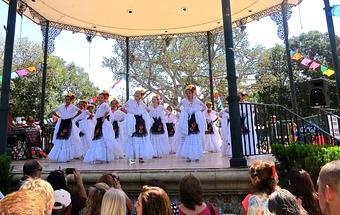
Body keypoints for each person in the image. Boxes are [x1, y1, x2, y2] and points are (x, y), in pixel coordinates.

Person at [121, 89, 154, 164]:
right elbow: (122, 108)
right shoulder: (130, 101)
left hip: (141, 121)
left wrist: (144, 114)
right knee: (133, 138)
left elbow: (148, 110)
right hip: (133, 121)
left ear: (141, 96)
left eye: (138, 94)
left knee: (141, 138)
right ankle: (133, 157)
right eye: (135, 93)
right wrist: (129, 113)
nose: (136, 94)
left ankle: (140, 157)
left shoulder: (142, 103)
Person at [176, 85, 206, 162]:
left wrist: (198, 112)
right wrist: (183, 112)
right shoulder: (183, 101)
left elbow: (204, 107)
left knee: (195, 137)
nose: (188, 95)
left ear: (192, 93)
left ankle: (196, 155)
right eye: (187, 93)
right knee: (188, 137)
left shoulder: (196, 100)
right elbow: (176, 108)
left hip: (195, 120)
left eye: (189, 93)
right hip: (187, 120)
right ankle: (188, 155)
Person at [48, 93, 82, 162]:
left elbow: (79, 111)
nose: (67, 100)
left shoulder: (72, 106)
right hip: (62, 122)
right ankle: (59, 155)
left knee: (68, 139)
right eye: (66, 99)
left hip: (69, 122)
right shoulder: (61, 106)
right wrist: (59, 117)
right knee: (61, 138)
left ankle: (67, 156)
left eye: (68, 99)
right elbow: (53, 111)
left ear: (70, 100)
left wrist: (73, 117)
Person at [84, 91, 115, 163]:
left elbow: (107, 111)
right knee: (97, 138)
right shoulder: (99, 106)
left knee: (103, 138)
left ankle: (103, 156)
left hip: (103, 122)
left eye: (102, 98)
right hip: (98, 122)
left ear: (105, 99)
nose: (100, 99)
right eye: (99, 98)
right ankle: (97, 155)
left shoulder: (105, 104)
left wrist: (104, 118)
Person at [239, 92, 257, 156]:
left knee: (248, 135)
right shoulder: (237, 105)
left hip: (247, 121)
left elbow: (252, 112)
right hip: (240, 121)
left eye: (240, 96)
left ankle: (249, 150)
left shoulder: (248, 104)